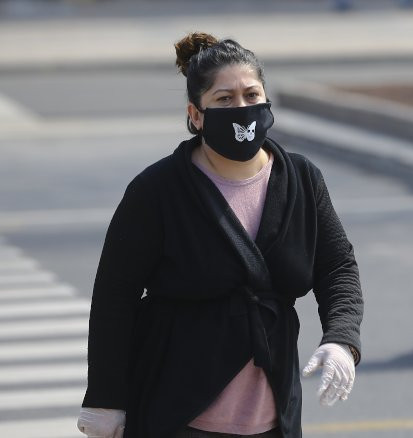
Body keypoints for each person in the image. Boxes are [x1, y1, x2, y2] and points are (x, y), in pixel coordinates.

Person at [76, 32, 364, 438]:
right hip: (178, 412)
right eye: (224, 99)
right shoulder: (158, 190)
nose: (242, 108)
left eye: (251, 95)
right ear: (196, 114)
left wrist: (342, 339)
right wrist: (105, 398)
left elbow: (338, 267)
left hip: (273, 412)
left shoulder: (302, 179)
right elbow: (114, 297)